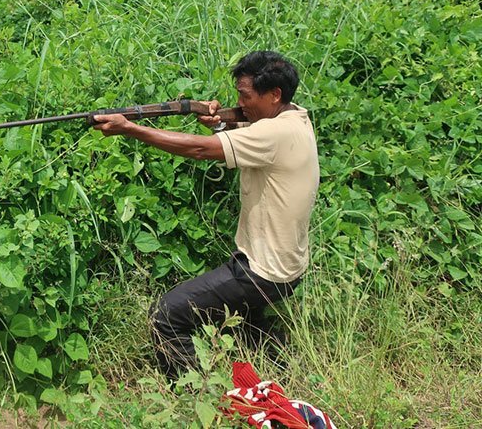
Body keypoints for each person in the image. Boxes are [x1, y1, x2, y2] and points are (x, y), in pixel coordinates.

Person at [92, 51, 319, 380]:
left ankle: (192, 394)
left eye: (245, 96)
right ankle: (279, 375)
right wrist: (223, 121)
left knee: (166, 315)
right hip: (288, 266)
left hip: (263, 271)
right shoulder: (295, 117)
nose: (241, 102)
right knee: (248, 326)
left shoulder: (274, 134)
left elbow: (200, 149)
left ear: (274, 95)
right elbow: (247, 126)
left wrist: (130, 129)